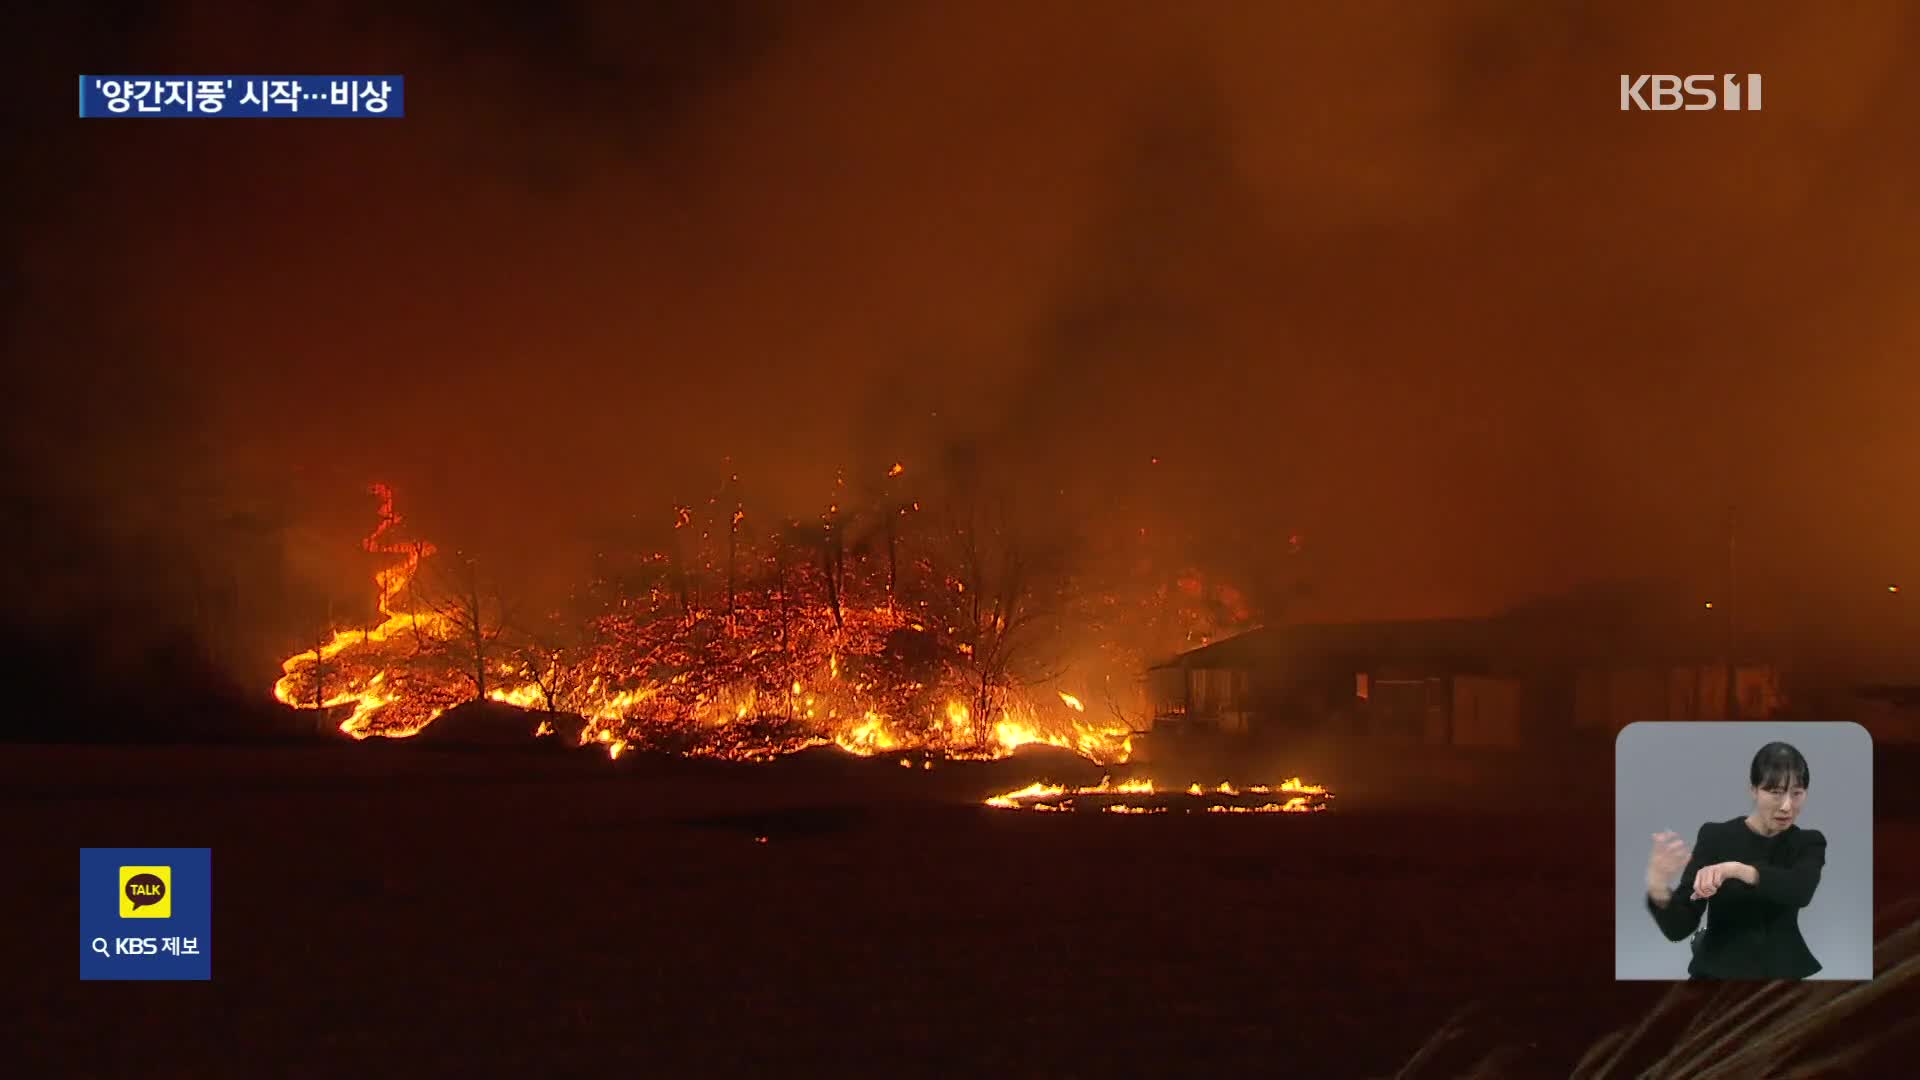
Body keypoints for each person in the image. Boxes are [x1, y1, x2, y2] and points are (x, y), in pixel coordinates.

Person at [1644, 741, 1826, 980]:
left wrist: (1737, 870)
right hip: (1715, 974)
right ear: (1754, 790)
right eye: (1775, 792)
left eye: (1797, 793)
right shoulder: (1715, 836)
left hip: (1781, 974)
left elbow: (1801, 890)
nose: (1786, 806)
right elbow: (1680, 927)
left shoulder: (1808, 842)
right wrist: (1658, 886)